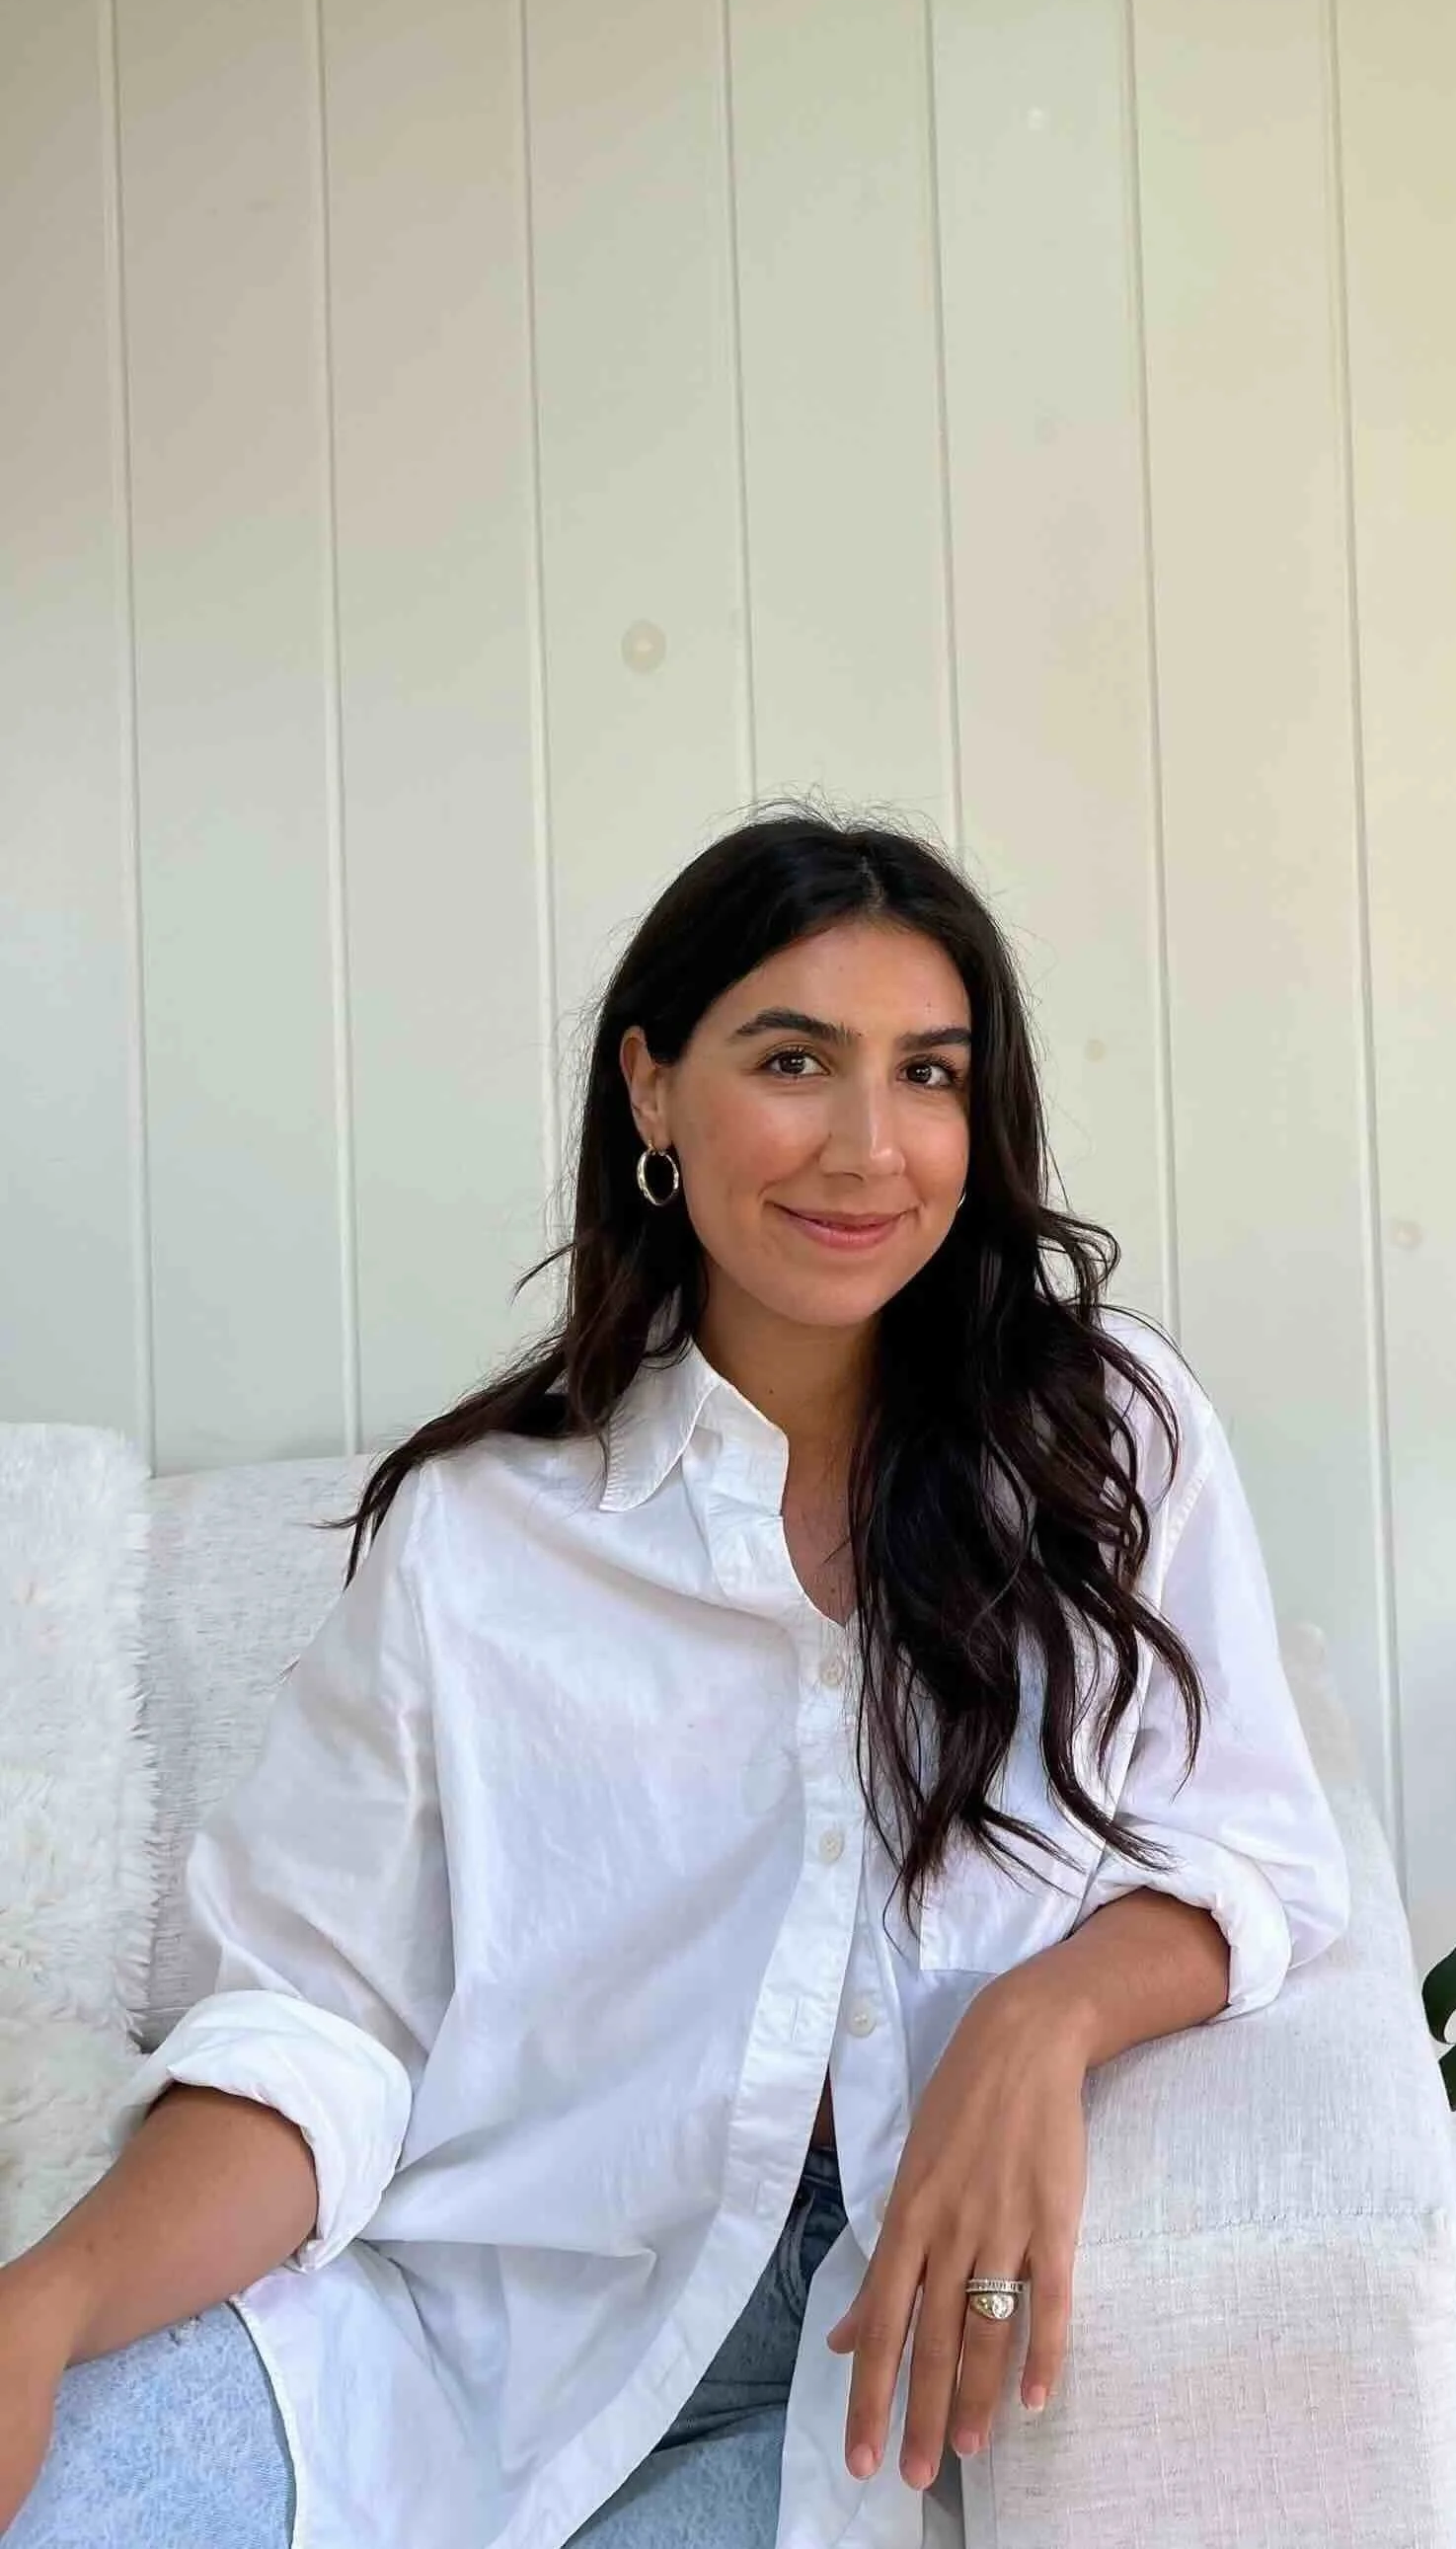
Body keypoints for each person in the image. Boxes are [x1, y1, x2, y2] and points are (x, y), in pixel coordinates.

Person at [0, 807, 1350, 2549]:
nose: (870, 1146)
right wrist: (40, 2307)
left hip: (847, 2371)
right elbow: (312, 2032)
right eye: (795, 1059)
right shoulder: (481, 1539)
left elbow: (1248, 1844)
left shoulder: (1103, 1443)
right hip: (462, 2322)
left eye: (928, 1074)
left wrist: (1041, 2015)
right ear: (653, 1089)